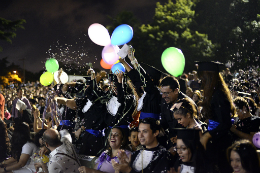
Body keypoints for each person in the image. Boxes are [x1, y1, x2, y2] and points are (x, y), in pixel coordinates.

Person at [197, 61, 235, 173]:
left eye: (202, 77)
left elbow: (225, 123)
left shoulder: (218, 95)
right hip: (216, 139)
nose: (201, 81)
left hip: (221, 143)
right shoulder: (215, 93)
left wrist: (207, 135)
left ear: (209, 77)